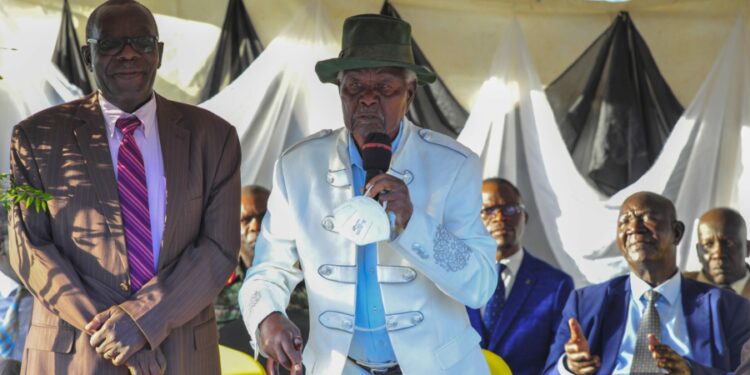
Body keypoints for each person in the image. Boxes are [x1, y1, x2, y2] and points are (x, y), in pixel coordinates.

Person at [239, 14, 496, 375]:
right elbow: (268, 269)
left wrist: (412, 223)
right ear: (339, 89)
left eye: (385, 89)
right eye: (354, 87)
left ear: (410, 93)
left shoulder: (453, 166)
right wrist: (266, 316)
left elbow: (481, 286)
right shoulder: (298, 167)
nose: (368, 101)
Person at [7, 1, 240, 374]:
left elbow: (219, 248)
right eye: (110, 44)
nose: (128, 53)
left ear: (159, 54)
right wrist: (118, 333)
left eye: (142, 42)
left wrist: (142, 322)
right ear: (88, 54)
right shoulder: (38, 137)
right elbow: (30, 249)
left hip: (179, 354)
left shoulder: (213, 137)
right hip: (75, 353)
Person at [544, 191, 750, 374]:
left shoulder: (728, 307)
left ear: (676, 232)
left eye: (648, 218)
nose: (634, 227)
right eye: (624, 221)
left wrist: (691, 372)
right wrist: (570, 367)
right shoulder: (585, 303)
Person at [467, 178, 573, 375]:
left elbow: (559, 360)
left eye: (509, 209)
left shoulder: (556, 285)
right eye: (489, 210)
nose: (500, 217)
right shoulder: (454, 278)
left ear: (524, 217)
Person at [215, 185, 270, 329]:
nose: (256, 227)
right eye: (245, 220)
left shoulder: (306, 276)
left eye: (264, 217)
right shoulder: (214, 280)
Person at [684, 207, 750, 299]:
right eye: (708, 244)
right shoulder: (677, 291)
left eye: (728, 243)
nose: (718, 254)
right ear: (698, 252)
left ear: (747, 248)